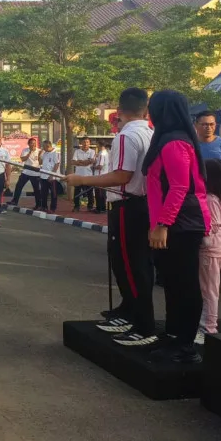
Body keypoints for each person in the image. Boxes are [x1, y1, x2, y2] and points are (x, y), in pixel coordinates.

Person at [66, 88, 154, 345]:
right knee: (129, 262)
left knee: (130, 265)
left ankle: (142, 324)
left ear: (119, 110)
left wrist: (81, 179)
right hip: (142, 205)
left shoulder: (127, 136)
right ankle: (128, 310)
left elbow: (122, 176)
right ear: (145, 110)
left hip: (129, 205)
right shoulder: (150, 132)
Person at [143, 90, 210, 364]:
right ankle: (174, 337)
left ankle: (185, 345)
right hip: (172, 222)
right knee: (171, 281)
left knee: (184, 283)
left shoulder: (175, 143)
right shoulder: (168, 141)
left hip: (181, 222)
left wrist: (162, 224)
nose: (150, 113)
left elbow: (180, 186)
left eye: (152, 108)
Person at [194, 111, 221, 296]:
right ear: (196, 125)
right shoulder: (191, 144)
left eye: (212, 124)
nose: (208, 127)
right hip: (195, 201)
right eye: (204, 124)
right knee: (197, 239)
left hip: (219, 201)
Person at [200, 158, 221, 342]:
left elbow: (209, 226)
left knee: (208, 290)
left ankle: (208, 328)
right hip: (216, 248)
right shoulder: (219, 198)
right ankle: (205, 324)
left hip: (209, 249)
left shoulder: (210, 199)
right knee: (208, 288)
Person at [10, 137, 41, 206]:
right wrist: (29, 153)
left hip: (35, 173)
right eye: (31, 143)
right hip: (26, 172)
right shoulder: (25, 150)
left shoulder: (39, 151)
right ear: (28, 144)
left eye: (34, 143)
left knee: (36, 190)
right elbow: (22, 159)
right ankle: (14, 201)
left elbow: (41, 162)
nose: (33, 145)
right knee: (18, 186)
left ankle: (38, 205)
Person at [71, 137, 96, 212]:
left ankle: (90, 206)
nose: (85, 144)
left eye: (87, 142)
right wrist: (85, 162)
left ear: (89, 143)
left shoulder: (92, 152)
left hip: (88, 175)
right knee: (77, 192)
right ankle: (76, 206)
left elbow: (91, 161)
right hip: (78, 176)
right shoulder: (77, 152)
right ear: (81, 143)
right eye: (84, 142)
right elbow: (73, 162)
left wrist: (79, 162)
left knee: (90, 192)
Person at [37, 139, 60, 212]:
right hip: (43, 176)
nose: (42, 148)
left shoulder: (55, 153)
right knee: (43, 193)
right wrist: (39, 154)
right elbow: (40, 162)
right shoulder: (45, 153)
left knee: (53, 193)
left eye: (43, 147)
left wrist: (52, 175)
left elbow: (57, 164)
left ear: (48, 146)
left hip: (52, 177)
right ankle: (44, 206)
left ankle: (53, 208)